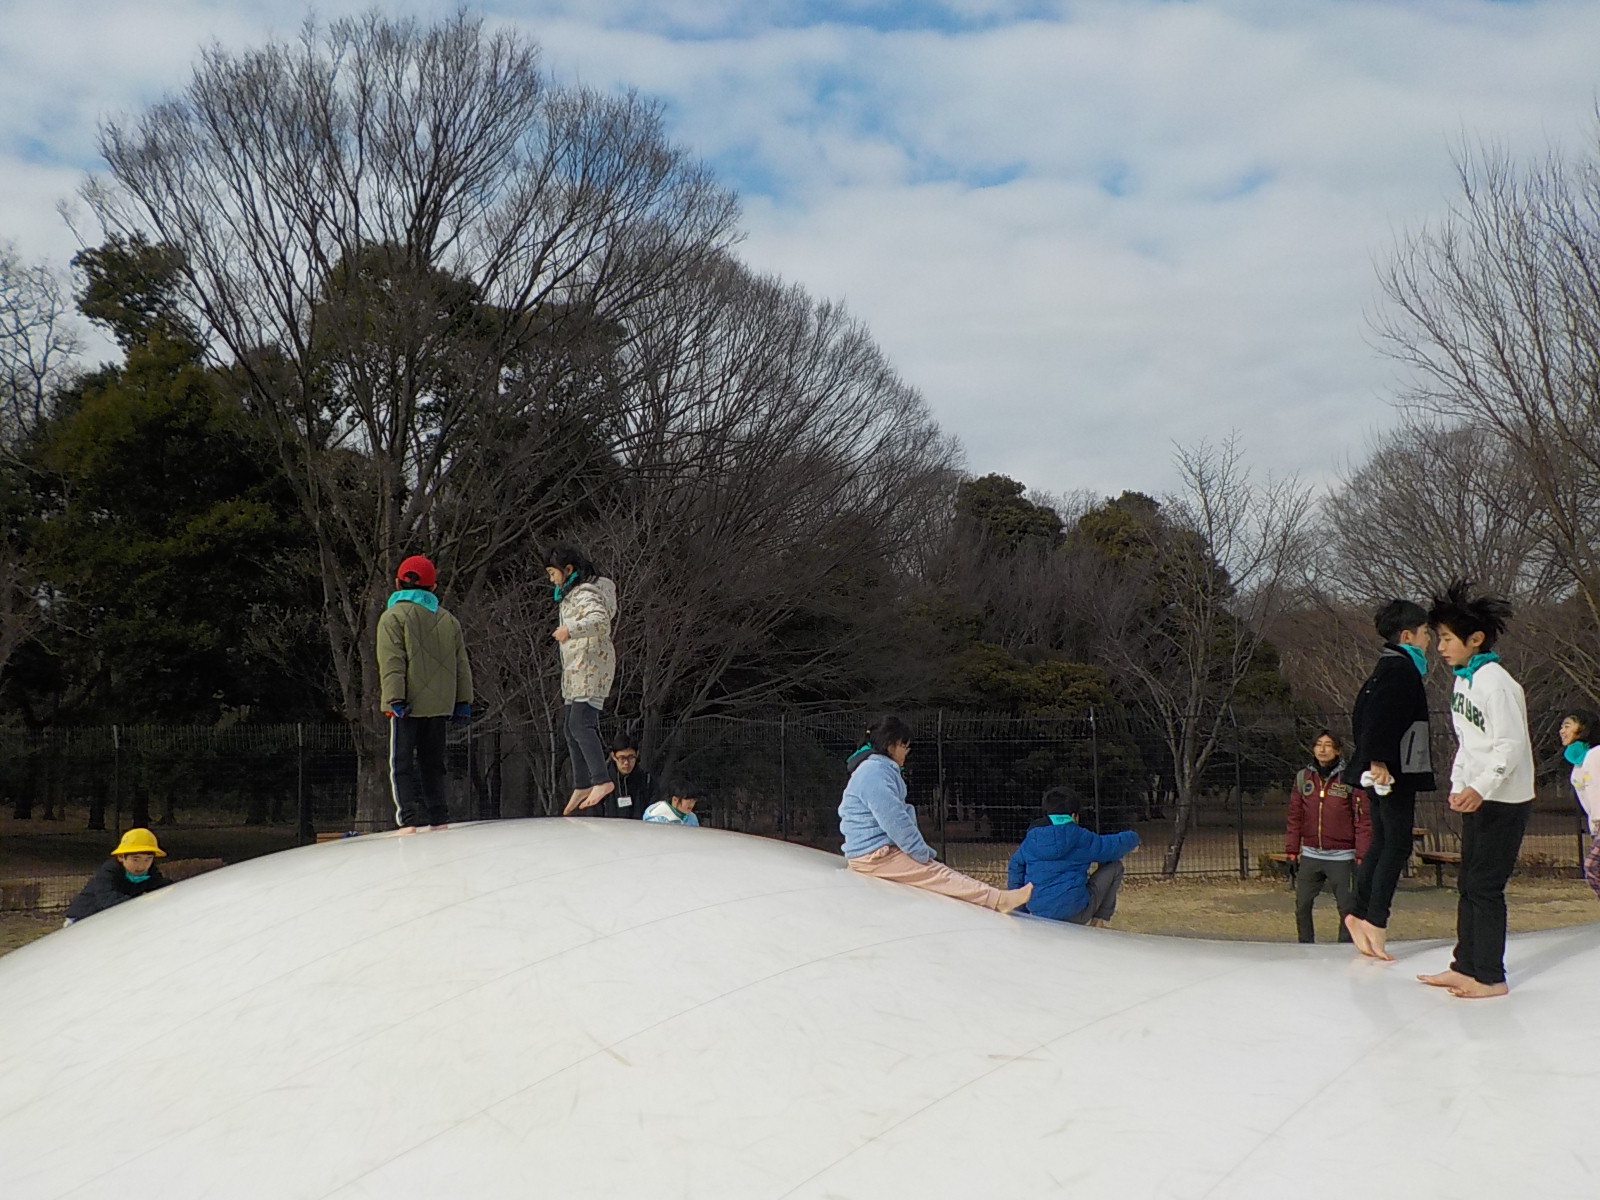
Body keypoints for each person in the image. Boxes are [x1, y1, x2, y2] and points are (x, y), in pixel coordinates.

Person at [1418, 580, 1535, 1000]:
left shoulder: (1496, 683)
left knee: (1485, 887)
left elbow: (1511, 746)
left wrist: (1482, 787)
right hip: (1480, 796)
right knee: (1468, 883)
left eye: (1447, 639)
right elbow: (1468, 744)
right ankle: (1464, 966)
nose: (1441, 647)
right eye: (1439, 638)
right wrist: (1460, 785)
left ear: (1476, 639)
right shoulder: (1463, 683)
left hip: (1504, 800)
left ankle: (1489, 976)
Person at [839, 715, 1032, 914]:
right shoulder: (875, 774)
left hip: (874, 852)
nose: (907, 752)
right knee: (938, 874)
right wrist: (922, 855)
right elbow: (896, 823)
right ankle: (998, 900)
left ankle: (997, 898)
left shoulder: (875, 770)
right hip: (876, 856)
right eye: (904, 746)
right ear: (890, 745)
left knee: (937, 871)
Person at [1344, 598, 1436, 961]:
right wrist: (1378, 760)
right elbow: (1377, 716)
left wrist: (1372, 759)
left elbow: (1362, 713)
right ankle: (1375, 920)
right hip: (1394, 771)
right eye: (1425, 632)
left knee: (1384, 841)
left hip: (1388, 767)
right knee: (1396, 844)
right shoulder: (1400, 669)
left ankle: (1359, 912)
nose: (1430, 639)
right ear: (1407, 636)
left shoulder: (1388, 666)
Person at [377, 554, 473, 833]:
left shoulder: (392, 617)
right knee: (433, 763)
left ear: (398, 583)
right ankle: (439, 817)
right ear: (433, 587)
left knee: (401, 763)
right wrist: (463, 701)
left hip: (406, 706)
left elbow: (392, 662)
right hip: (440, 706)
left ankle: (408, 820)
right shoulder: (448, 620)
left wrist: (395, 698)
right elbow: (461, 664)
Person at [545, 544, 619, 817]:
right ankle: (582, 782)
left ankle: (601, 779)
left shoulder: (585, 593)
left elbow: (601, 621)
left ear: (568, 570)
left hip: (590, 667)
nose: (552, 580)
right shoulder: (573, 594)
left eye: (553, 573)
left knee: (580, 723)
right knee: (569, 726)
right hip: (577, 669)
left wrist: (571, 629)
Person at [1006, 786, 1138, 926]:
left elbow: (1015, 868)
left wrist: (1021, 910)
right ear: (1074, 816)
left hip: (1039, 913)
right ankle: (1100, 920)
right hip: (1076, 913)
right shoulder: (1080, 836)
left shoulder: (1031, 839)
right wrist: (1134, 838)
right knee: (1115, 866)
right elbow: (1110, 846)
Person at [1285, 731, 1372, 944]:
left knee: (1347, 908)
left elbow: (1362, 819)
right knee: (1302, 905)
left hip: (1342, 857)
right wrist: (1292, 850)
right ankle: (1305, 945)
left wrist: (1361, 855)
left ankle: (1345, 948)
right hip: (1311, 854)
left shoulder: (1350, 778)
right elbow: (1295, 816)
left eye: (1328, 745)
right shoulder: (1303, 778)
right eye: (1319, 744)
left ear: (1338, 750)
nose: (1322, 749)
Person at [63, 828, 171, 925]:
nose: (142, 865)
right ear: (120, 857)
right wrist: (138, 903)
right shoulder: (109, 872)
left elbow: (161, 886)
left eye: (148, 859)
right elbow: (107, 899)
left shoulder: (150, 872)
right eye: (135, 859)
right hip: (82, 918)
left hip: (110, 917)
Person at [1559, 707, 1600, 901]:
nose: (1562, 731)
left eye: (1567, 725)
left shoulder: (1596, 754)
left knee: (1592, 867)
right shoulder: (1579, 763)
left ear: (1583, 728)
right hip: (1596, 826)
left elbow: (1596, 787)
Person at [598, 730, 656, 820]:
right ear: (613, 756)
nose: (626, 763)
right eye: (622, 758)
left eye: (631, 757)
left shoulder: (647, 781)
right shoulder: (603, 780)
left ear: (637, 754)